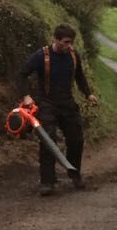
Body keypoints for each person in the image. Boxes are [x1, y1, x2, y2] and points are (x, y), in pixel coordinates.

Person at [20, 25, 98, 196]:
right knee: (48, 139)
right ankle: (47, 182)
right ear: (56, 40)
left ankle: (74, 173)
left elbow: (79, 76)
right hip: (46, 102)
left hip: (67, 102)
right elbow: (22, 73)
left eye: (71, 42)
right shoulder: (42, 56)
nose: (69, 45)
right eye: (66, 42)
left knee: (76, 139)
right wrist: (26, 96)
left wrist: (88, 94)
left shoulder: (73, 55)